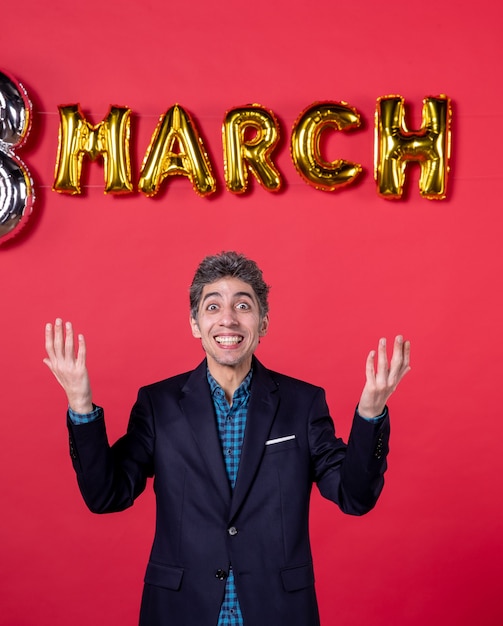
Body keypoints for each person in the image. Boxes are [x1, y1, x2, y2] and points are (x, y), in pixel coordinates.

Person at [43, 251, 411, 626]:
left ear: (263, 322)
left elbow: (355, 496)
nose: (228, 319)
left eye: (243, 305)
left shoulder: (302, 403)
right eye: (213, 305)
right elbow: (106, 495)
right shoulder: (159, 404)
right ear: (194, 323)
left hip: (277, 612)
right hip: (181, 611)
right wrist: (80, 403)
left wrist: (371, 412)